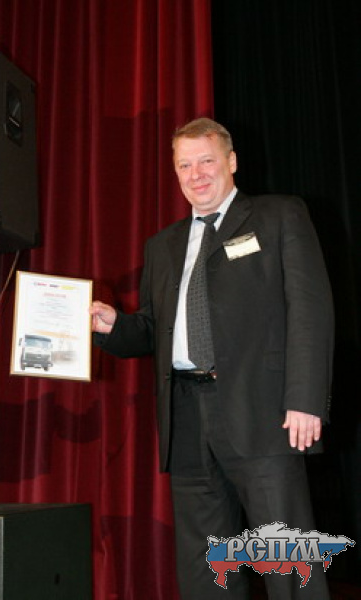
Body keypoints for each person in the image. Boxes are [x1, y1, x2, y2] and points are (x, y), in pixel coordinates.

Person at [90, 117, 334, 599]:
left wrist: (305, 399)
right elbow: (154, 329)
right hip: (187, 416)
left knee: (288, 563)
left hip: (264, 412)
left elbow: (311, 311)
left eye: (206, 160)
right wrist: (114, 325)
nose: (196, 174)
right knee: (207, 568)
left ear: (231, 161)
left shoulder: (278, 216)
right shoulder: (162, 245)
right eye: (185, 165)